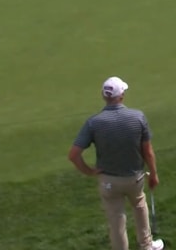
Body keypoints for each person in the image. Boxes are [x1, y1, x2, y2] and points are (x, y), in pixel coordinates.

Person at [68, 76, 163, 250]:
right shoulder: (138, 117)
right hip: (135, 177)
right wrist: (154, 174)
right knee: (140, 207)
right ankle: (147, 246)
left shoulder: (93, 122)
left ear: (104, 97)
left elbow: (73, 155)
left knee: (116, 219)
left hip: (109, 181)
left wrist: (89, 171)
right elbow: (148, 152)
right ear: (121, 96)